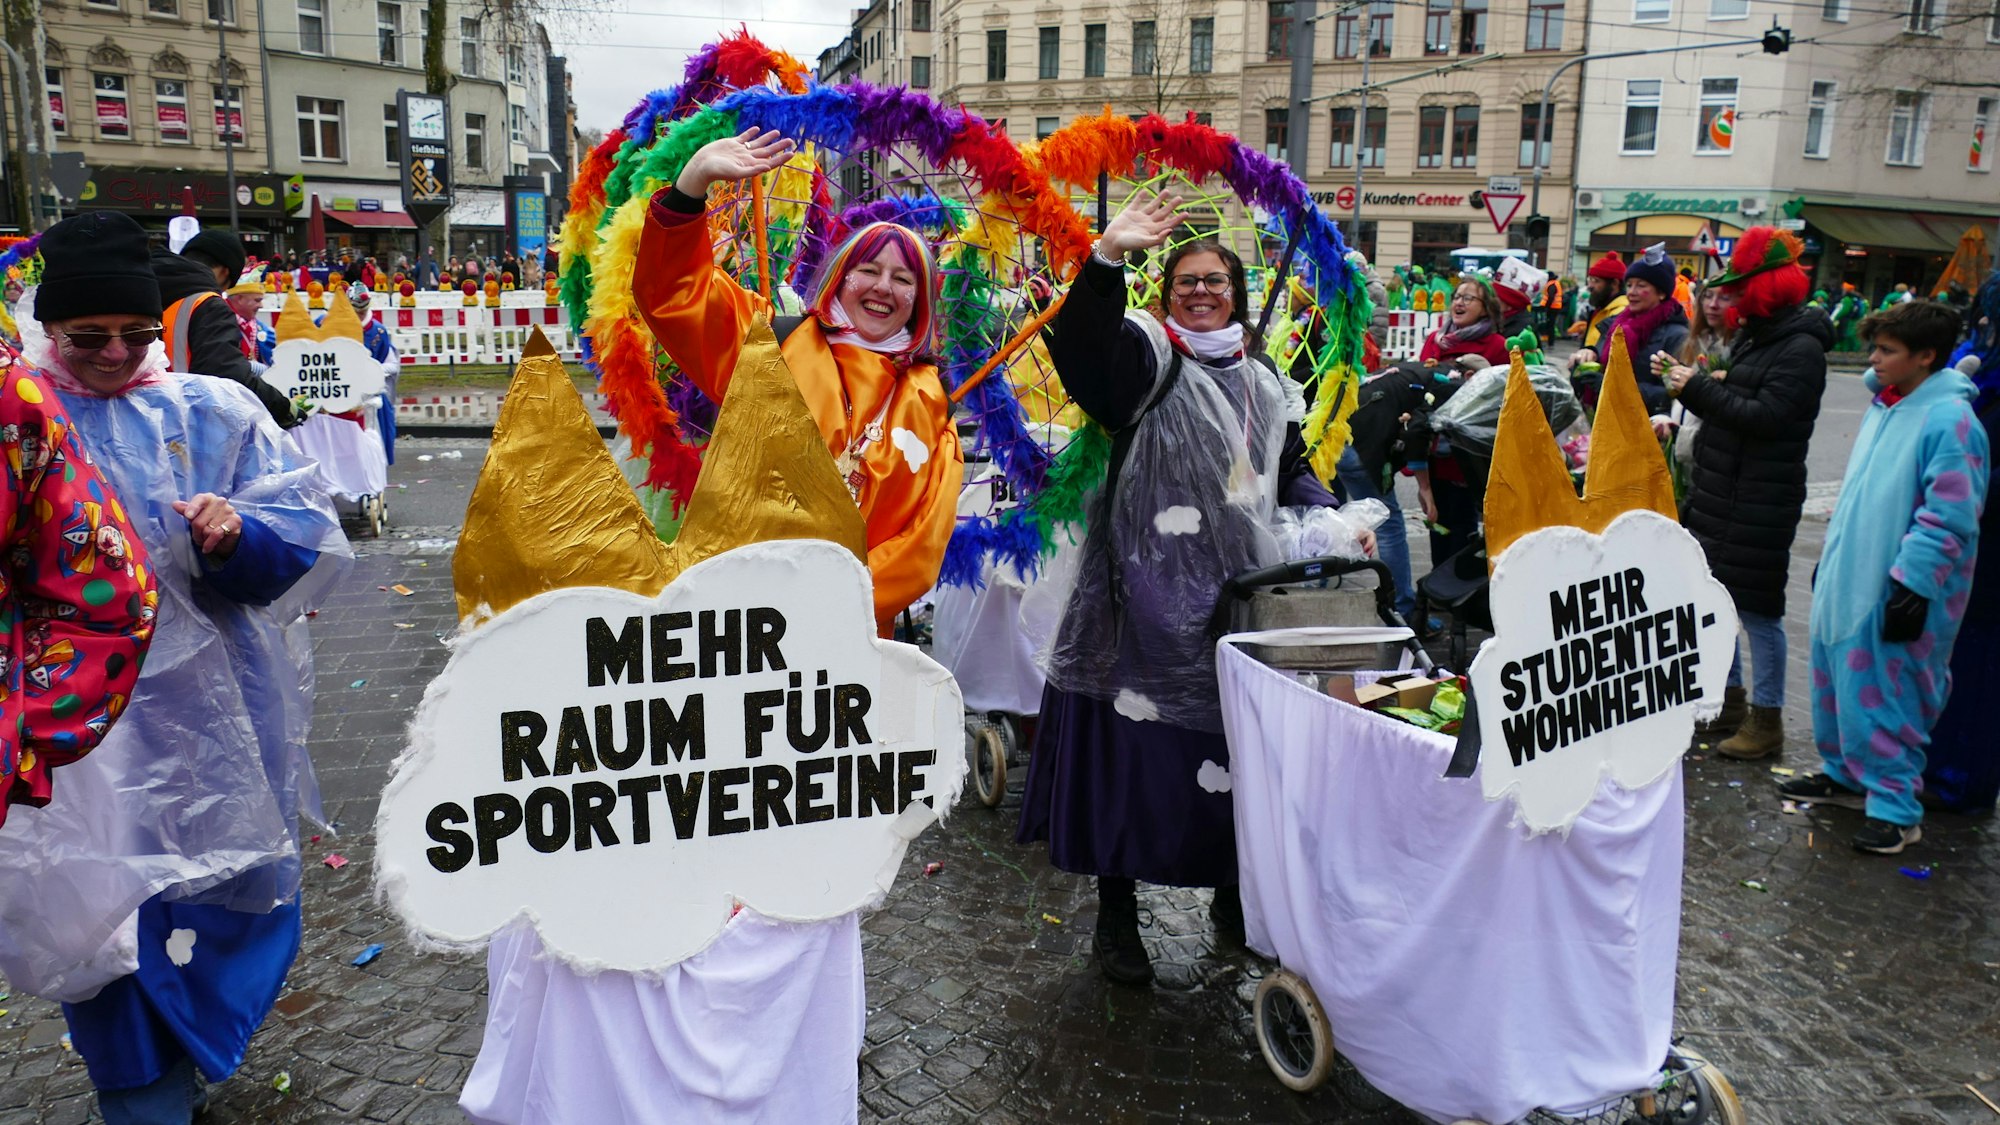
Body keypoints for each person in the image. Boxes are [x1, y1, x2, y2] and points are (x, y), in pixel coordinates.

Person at [0, 210, 348, 1122]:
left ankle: (189, 1045)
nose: (116, 354)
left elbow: (301, 538)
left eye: (137, 333)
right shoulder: (19, 421)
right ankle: (137, 1088)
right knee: (98, 905)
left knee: (216, 888)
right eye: (89, 337)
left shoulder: (211, 410)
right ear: (50, 327)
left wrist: (238, 536)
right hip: (74, 726)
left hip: (210, 712)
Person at [1015, 192, 1373, 986]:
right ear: (1164, 293)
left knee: (1230, 755)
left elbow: (1289, 465)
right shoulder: (1144, 351)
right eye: (1187, 281)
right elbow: (1085, 362)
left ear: (1238, 294)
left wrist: (1334, 520)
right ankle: (1117, 919)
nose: (1203, 290)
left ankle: (1231, 895)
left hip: (1233, 599)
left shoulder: (1263, 373)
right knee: (1133, 759)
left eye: (1216, 280)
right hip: (1135, 595)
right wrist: (1105, 260)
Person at [634, 127, 963, 636]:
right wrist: (692, 183)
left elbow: (923, 543)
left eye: (903, 279)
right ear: (839, 277)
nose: (882, 288)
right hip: (742, 625)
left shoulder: (933, 403)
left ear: (918, 301)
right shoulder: (773, 343)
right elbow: (676, 295)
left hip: (854, 638)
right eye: (868, 269)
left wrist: (837, 600)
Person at [1778, 301, 1987, 854]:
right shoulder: (1888, 404)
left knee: (1889, 697)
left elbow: (1950, 516)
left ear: (1926, 356)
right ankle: (1844, 775)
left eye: (1887, 351)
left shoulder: (1952, 421)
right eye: (1874, 348)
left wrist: (1913, 586)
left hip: (1898, 589)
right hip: (1852, 575)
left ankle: (1896, 809)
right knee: (1835, 682)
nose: (1874, 359)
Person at [1666, 228, 1829, 761]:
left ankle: (1767, 719)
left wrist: (1696, 388)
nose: (1728, 298)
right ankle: (1729, 703)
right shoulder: (1761, 336)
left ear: (1767, 288)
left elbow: (1768, 418)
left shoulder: (1800, 347)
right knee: (1717, 605)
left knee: (1760, 615)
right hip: (1724, 494)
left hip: (1759, 499)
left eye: (1740, 286)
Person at [155, 230, 297, 428]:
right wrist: (282, 407)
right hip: (185, 426)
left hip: (139, 419)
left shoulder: (149, 284)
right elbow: (227, 373)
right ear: (225, 272)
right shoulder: (206, 304)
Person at [1571, 243, 1687, 412]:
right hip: (1605, 418)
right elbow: (1599, 364)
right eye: (1630, 285)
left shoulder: (1677, 336)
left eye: (1641, 286)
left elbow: (1675, 395)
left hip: (1646, 429)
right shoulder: (1616, 325)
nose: (1631, 292)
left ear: (1661, 293)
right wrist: (1587, 356)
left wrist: (1615, 388)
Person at [1571, 252, 1628, 348]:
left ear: (1614, 283)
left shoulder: (1620, 312)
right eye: (1590, 280)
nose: (1590, 286)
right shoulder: (1602, 308)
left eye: (1596, 281)